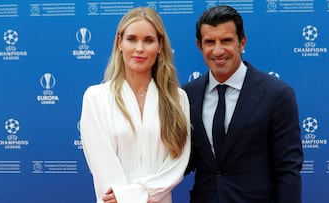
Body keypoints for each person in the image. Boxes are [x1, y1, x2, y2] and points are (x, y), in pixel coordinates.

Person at [182, 5, 303, 203]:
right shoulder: (187, 95)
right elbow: (181, 161)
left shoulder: (277, 94)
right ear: (199, 46)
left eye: (226, 41)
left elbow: (288, 170)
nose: (218, 50)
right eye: (210, 42)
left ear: (242, 42)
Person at [80, 7, 191, 203]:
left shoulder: (177, 98)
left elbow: (178, 163)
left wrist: (134, 195)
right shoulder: (96, 98)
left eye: (148, 40)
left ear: (159, 46)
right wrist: (130, 197)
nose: (139, 48)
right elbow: (102, 164)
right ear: (119, 43)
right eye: (132, 39)